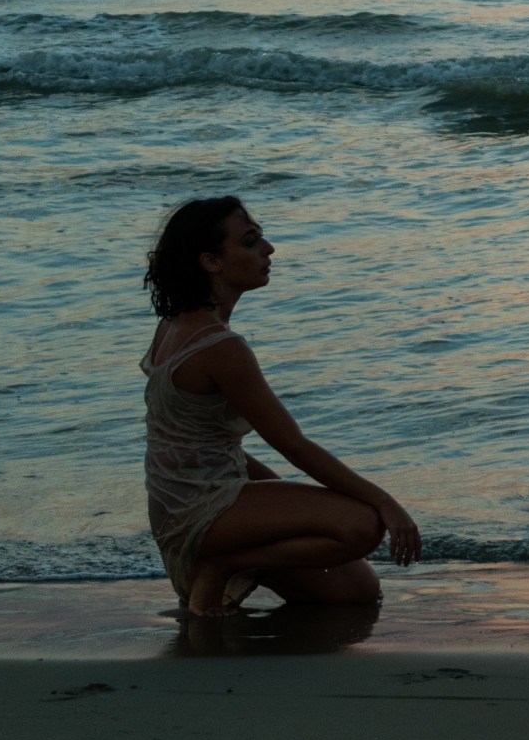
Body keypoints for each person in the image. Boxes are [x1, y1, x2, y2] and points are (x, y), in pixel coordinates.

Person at [141, 196, 420, 617]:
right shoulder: (219, 347)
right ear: (211, 262)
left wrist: (274, 497)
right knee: (362, 526)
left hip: (179, 501)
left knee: (354, 589)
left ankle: (236, 556)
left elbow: (193, 437)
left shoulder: (174, 324)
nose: (268, 249)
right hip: (196, 510)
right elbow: (292, 443)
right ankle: (221, 562)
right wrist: (386, 503)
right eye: (251, 242)